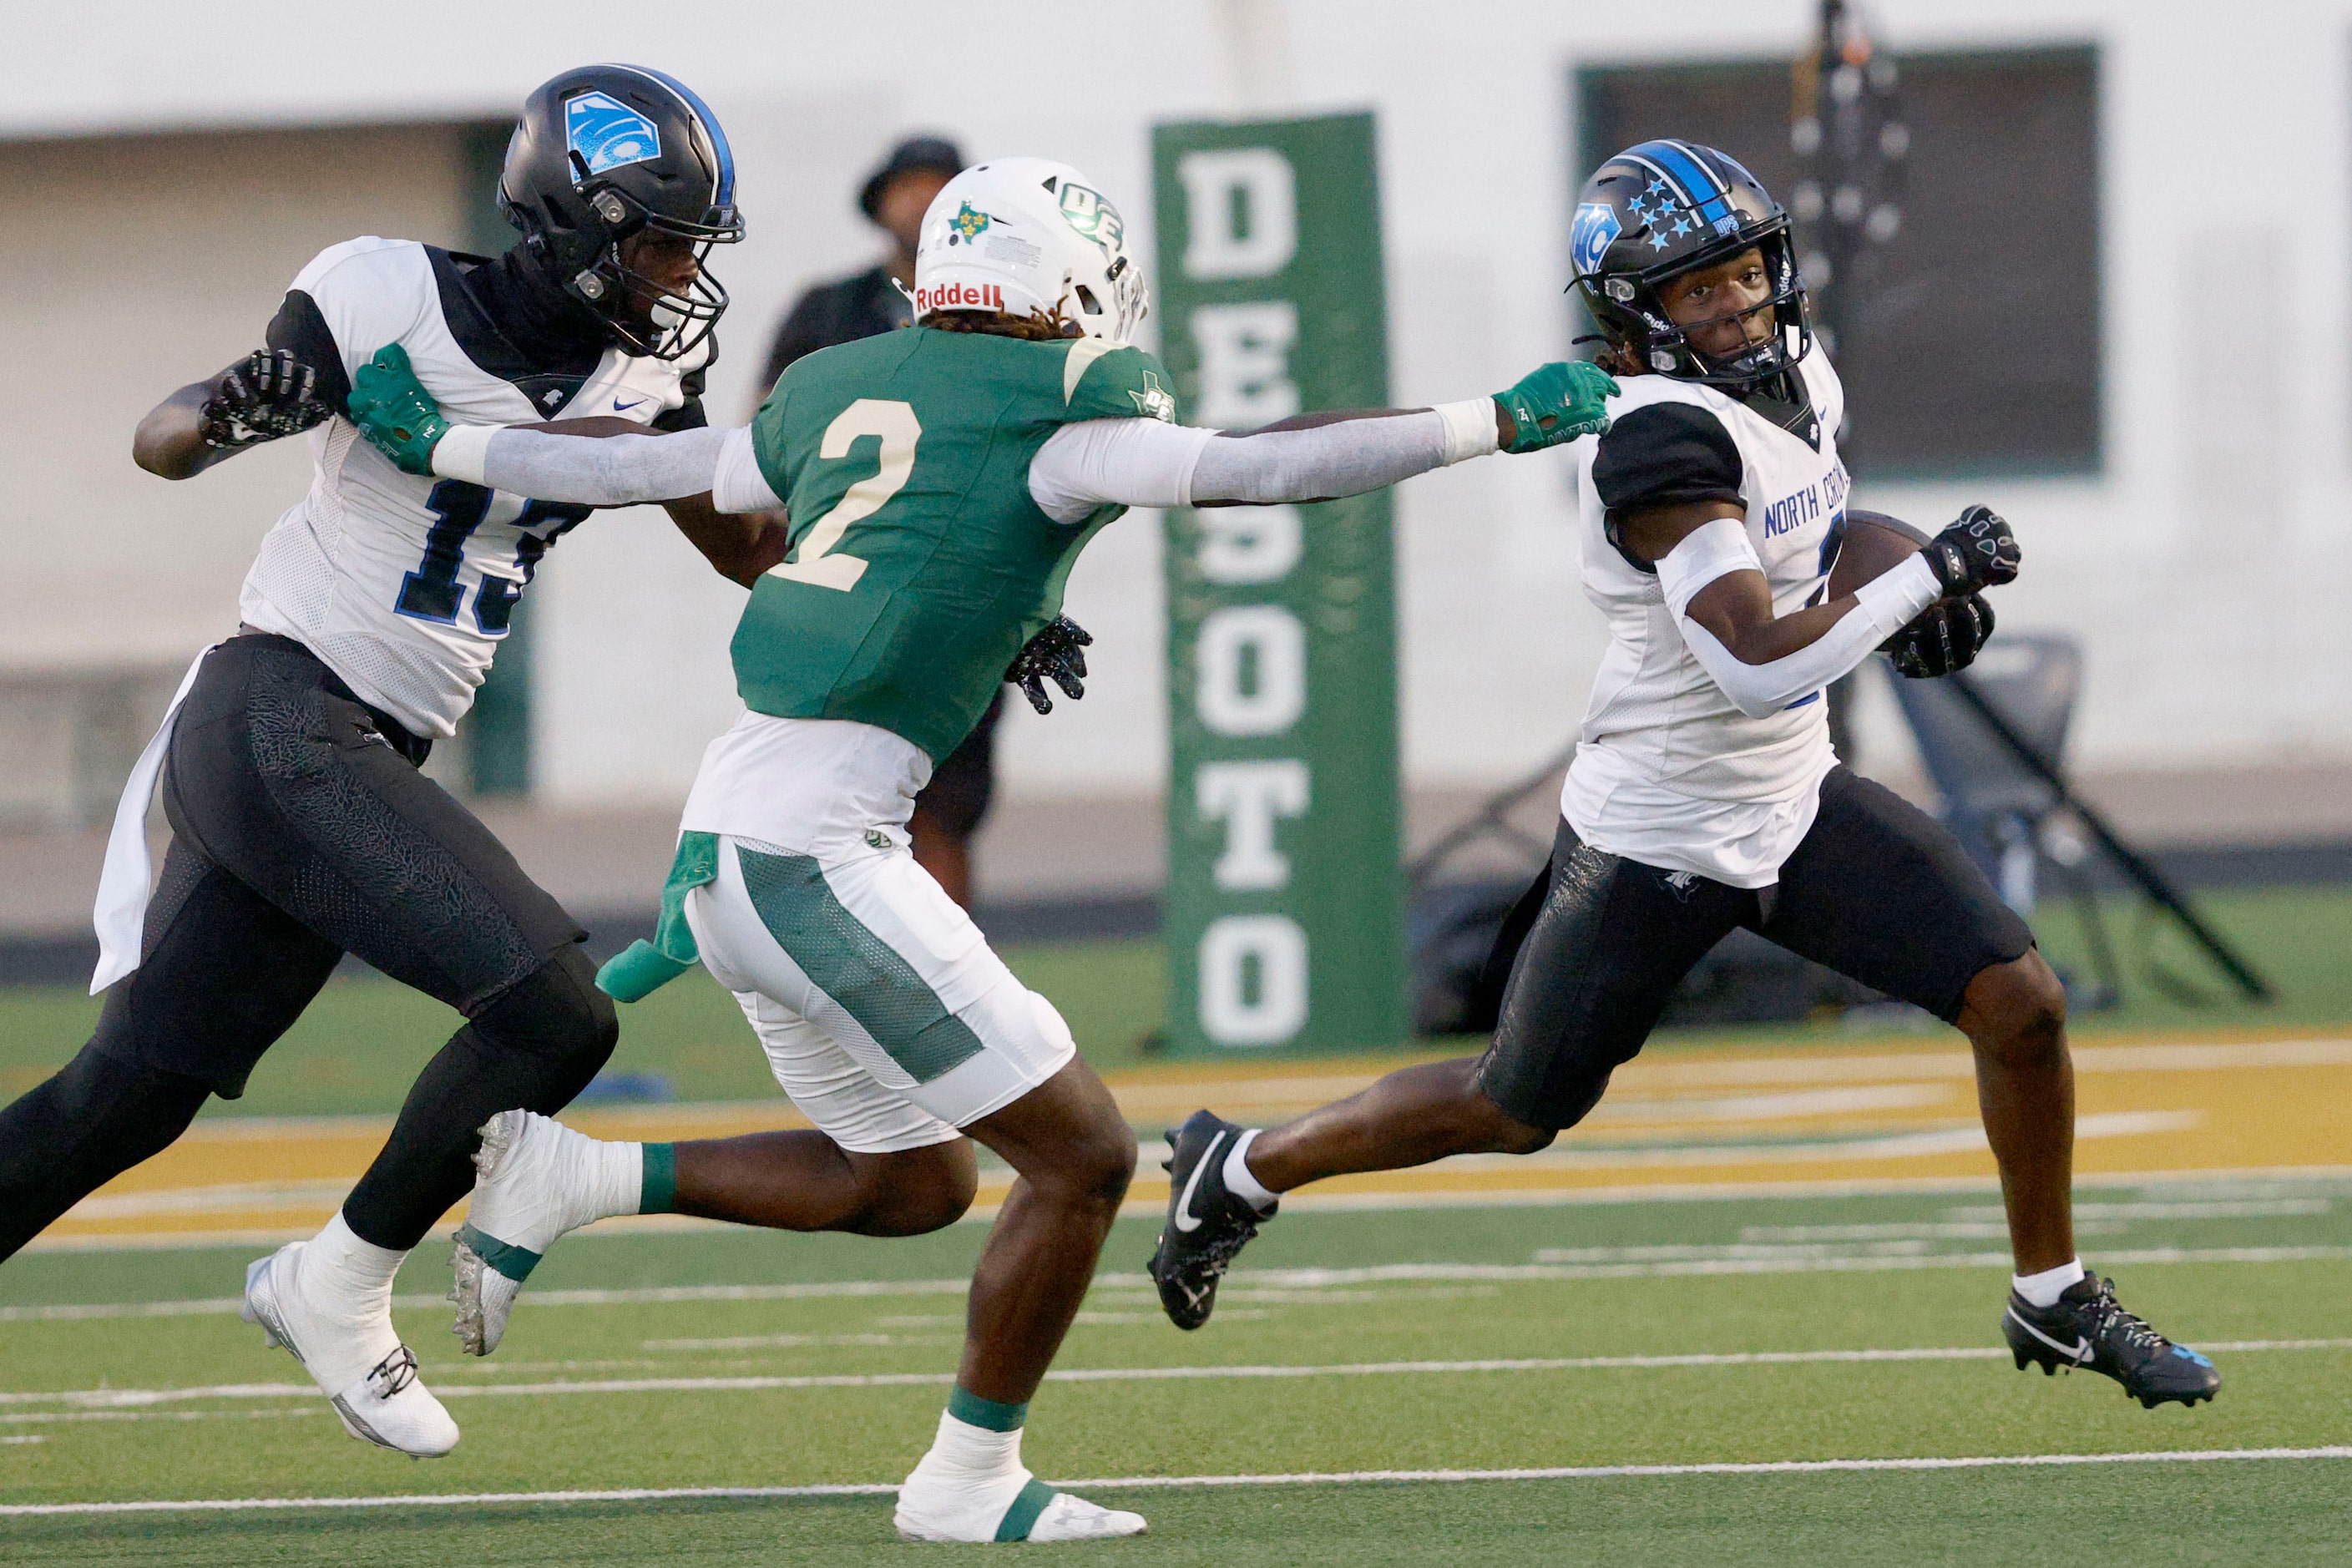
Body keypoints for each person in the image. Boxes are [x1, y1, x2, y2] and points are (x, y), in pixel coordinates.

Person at [346, 154, 1615, 1541]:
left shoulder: (840, 380)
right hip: (813, 848)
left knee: (912, 1181)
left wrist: (440, 441)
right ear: (1067, 281)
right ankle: (967, 1479)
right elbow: (1263, 464)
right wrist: (1489, 418)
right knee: (1081, 1155)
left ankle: (574, 1173)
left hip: (740, 825)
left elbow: (644, 463)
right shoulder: (1063, 403)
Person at [1145, 139, 2223, 1414]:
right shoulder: (1658, 436)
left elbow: (1823, 529)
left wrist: (1897, 557)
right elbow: (1757, 662)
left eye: (1741, 275)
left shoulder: (1797, 371)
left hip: (1791, 797)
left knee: (2021, 1002)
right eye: (1693, 291)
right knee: (1512, 1104)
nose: (1732, 306)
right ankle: (1244, 1167)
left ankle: (2052, 1294)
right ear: (1634, 314)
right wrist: (1928, 578)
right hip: (1659, 829)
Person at [0, 65, 789, 1459]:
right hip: (280, 708)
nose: (679, 274)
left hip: (354, 744)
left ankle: (331, 1280)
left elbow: (741, 542)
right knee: (556, 1011)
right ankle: (339, 1282)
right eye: (662, 240)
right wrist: (243, 399)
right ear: (571, 220)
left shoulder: (648, 374)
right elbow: (162, 438)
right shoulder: (379, 289)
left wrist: (940, 572)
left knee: (116, 1102)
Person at [760, 135, 1007, 907]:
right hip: (843, 584)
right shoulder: (829, 308)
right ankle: (852, 987)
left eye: (939, 188)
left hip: (957, 588)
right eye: (908, 187)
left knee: (944, 803)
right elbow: (769, 436)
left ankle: (948, 982)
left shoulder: (995, 312)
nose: (921, 203)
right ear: (879, 202)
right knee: (825, 801)